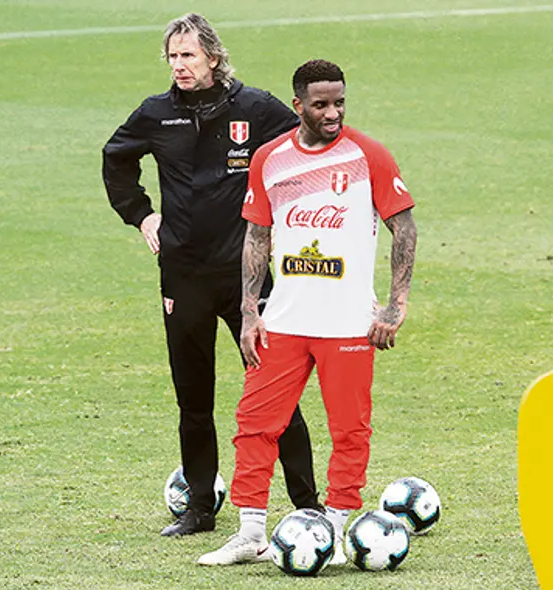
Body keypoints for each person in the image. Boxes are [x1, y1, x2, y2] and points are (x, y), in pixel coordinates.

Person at [101, 13, 320, 537]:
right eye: (173, 57)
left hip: (248, 277)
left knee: (276, 392)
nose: (179, 65)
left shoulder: (256, 108)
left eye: (188, 56)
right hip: (182, 275)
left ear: (213, 58)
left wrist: (288, 218)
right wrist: (142, 215)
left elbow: (304, 150)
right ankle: (200, 506)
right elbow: (115, 160)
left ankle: (307, 502)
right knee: (192, 396)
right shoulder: (156, 115)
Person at [198, 59, 418, 567]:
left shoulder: (370, 156)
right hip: (285, 322)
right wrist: (250, 311)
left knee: (349, 429)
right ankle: (250, 532)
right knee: (254, 423)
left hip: (348, 324)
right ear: (297, 104)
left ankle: (337, 529)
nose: (333, 112)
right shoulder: (270, 159)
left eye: (339, 102)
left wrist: (395, 305)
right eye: (321, 104)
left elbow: (404, 228)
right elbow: (257, 235)